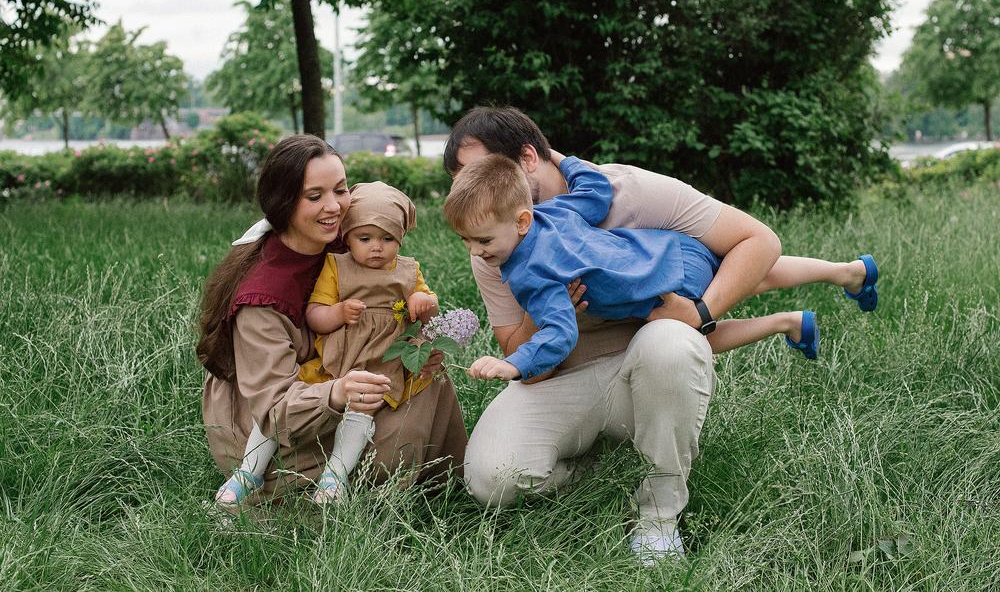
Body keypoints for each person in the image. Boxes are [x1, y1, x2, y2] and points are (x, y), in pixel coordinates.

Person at [443, 106, 877, 563]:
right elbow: (523, 360)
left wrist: (699, 312)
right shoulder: (491, 238)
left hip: (654, 360)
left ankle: (659, 515)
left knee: (669, 339)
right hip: (568, 373)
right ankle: (610, 469)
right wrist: (548, 307)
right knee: (491, 479)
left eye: (482, 173)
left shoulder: (629, 192)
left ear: (529, 158)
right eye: (462, 183)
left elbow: (760, 243)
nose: (472, 193)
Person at [199, 135, 467, 508]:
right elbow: (273, 408)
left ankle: (447, 489)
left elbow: (386, 315)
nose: (334, 207)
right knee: (386, 441)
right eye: (314, 196)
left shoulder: (345, 246)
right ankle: (293, 497)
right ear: (284, 202)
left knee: (424, 381)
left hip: (339, 374)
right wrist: (338, 392)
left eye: (340, 190)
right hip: (267, 422)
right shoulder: (262, 296)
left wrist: (415, 346)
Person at [443, 154, 879, 382]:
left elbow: (560, 334)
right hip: (670, 249)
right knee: (755, 273)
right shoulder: (552, 214)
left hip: (669, 285)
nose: (476, 252)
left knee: (686, 333)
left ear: (521, 221)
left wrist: (516, 365)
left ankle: (787, 322)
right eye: (465, 240)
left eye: (482, 241)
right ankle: (846, 273)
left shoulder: (531, 274)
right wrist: (564, 159)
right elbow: (594, 188)